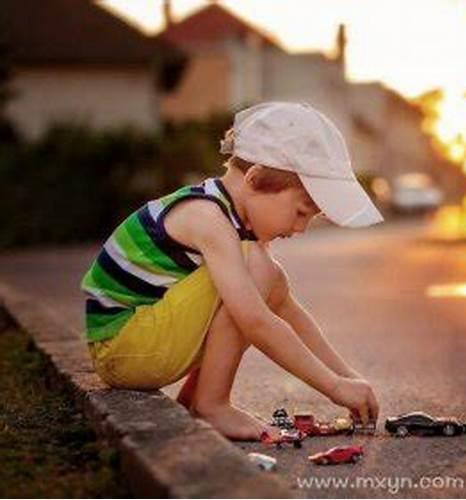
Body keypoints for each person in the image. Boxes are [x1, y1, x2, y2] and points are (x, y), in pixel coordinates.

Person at [81, 102, 382, 440]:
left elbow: (289, 313)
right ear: (254, 178)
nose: (301, 229)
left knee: (270, 277)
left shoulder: (228, 220)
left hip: (139, 344)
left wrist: (348, 378)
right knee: (259, 270)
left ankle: (200, 399)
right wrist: (333, 387)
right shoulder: (206, 217)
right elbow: (254, 321)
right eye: (300, 212)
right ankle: (212, 405)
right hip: (124, 349)